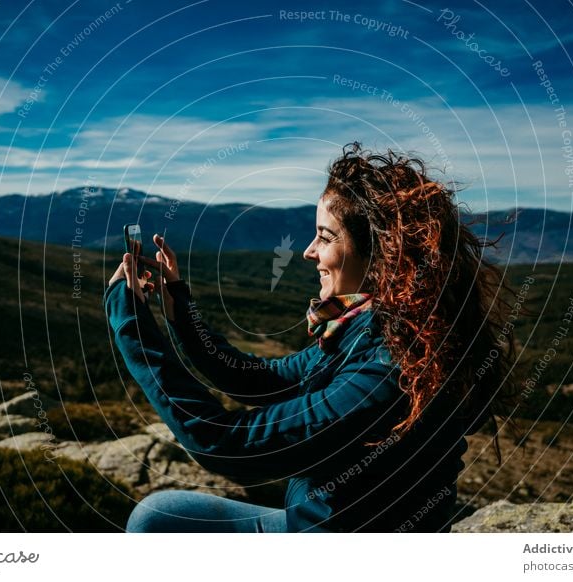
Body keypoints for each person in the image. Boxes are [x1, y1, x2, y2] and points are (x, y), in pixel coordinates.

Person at [104, 143, 517, 533]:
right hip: (316, 527)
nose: (307, 251)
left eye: (325, 236)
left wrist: (131, 327)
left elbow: (226, 444)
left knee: (154, 522)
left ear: (380, 254)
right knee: (157, 517)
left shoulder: (394, 364)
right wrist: (180, 309)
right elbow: (259, 378)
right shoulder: (376, 327)